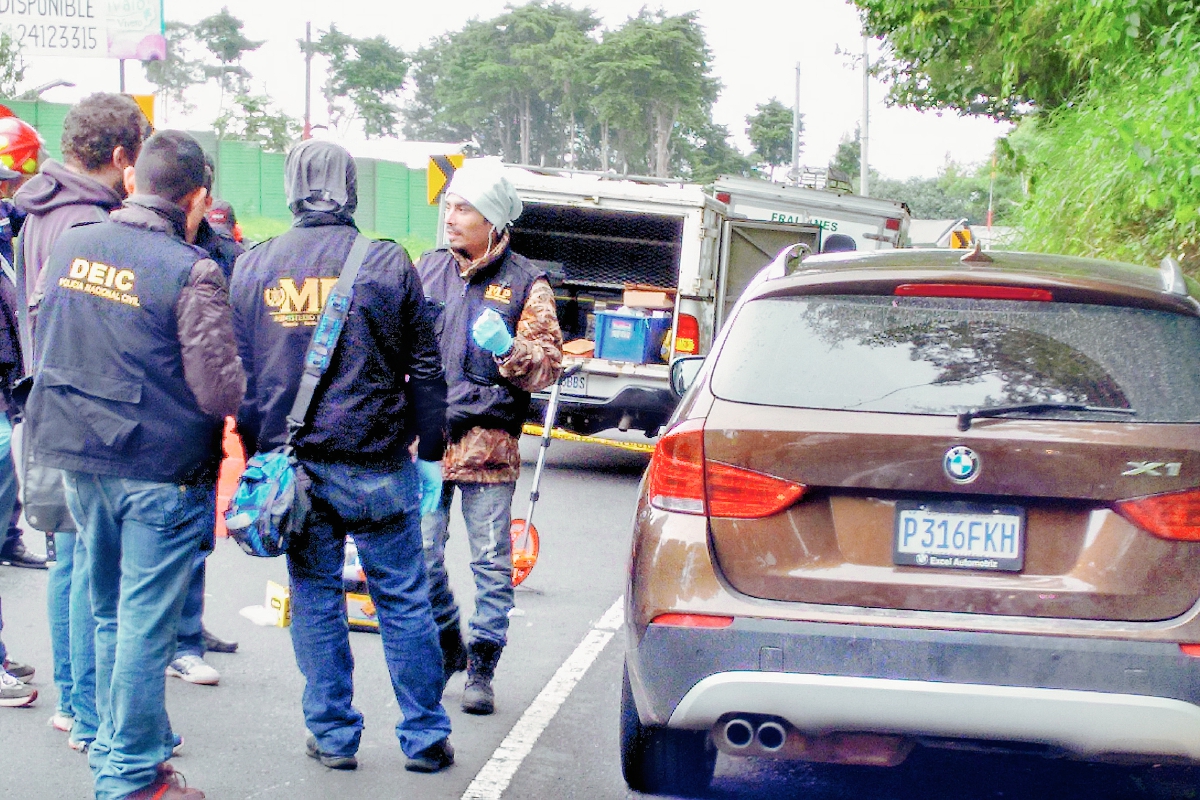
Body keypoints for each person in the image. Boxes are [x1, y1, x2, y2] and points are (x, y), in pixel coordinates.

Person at [26, 129, 244, 800]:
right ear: (198, 199)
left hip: (79, 455)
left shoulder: (71, 245)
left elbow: (46, 331)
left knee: (109, 613)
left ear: (132, 182)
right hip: (158, 468)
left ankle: (115, 752)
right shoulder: (190, 269)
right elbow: (218, 389)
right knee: (145, 624)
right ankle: (128, 775)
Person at [231, 139, 454, 774]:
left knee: (315, 595)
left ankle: (332, 734)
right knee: (404, 598)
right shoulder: (387, 262)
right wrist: (430, 452)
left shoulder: (253, 266)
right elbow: (426, 371)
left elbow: (243, 381)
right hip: (379, 461)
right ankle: (425, 736)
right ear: (351, 189)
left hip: (296, 467)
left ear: (289, 188)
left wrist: (260, 457)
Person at [13, 92, 151, 749]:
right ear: (122, 155)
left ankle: (75, 700)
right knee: (90, 565)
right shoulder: (88, 222)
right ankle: (89, 709)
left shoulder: (39, 208)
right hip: (83, 407)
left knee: (69, 557)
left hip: (48, 399)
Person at [416, 158, 563, 715]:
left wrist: (509, 349)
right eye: (449, 206)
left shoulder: (527, 283)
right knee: (421, 555)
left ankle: (482, 665)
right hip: (427, 444)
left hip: (488, 447)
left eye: (464, 208)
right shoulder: (426, 270)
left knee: (490, 563)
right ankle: (449, 640)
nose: (450, 217)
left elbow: (547, 366)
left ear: (492, 220)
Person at [166, 154, 244, 687]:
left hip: (201, 414)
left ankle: (186, 636)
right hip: (155, 408)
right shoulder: (151, 247)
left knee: (195, 530)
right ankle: (169, 637)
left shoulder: (226, 255)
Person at [0, 116, 47, 570]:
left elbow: (31, 207)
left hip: (10, 357)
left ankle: (8, 537)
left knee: (12, 451)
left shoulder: (8, 216)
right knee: (5, 449)